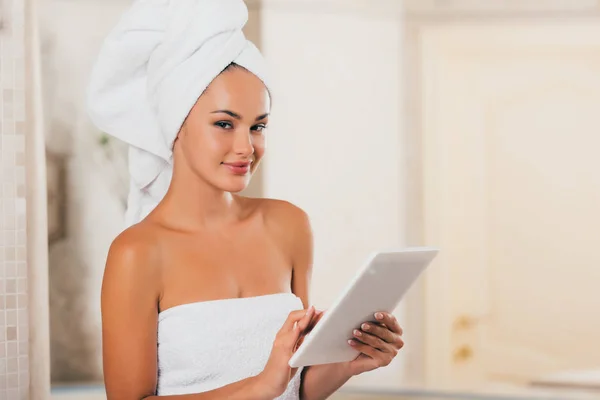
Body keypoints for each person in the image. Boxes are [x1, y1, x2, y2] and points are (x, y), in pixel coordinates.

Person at [87, 1, 405, 399]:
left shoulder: (288, 225)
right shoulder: (137, 252)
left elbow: (295, 385)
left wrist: (348, 363)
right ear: (176, 124)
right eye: (224, 124)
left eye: (258, 126)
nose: (246, 147)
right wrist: (259, 387)